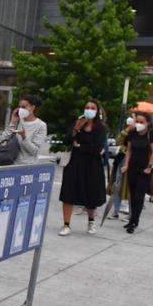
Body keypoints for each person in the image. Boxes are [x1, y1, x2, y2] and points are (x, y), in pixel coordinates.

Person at [58, 99, 107, 235]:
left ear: (97, 111)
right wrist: (76, 128)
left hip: (92, 165)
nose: (89, 110)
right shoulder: (77, 123)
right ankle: (66, 224)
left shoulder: (100, 128)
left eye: (92, 108)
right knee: (68, 193)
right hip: (74, 163)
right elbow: (66, 140)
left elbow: (97, 148)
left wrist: (80, 146)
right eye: (87, 107)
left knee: (90, 193)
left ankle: (91, 221)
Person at [120, 113, 153, 234]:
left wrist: (149, 167)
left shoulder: (151, 134)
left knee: (139, 196)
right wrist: (126, 165)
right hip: (132, 167)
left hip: (144, 168)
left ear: (148, 123)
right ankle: (133, 218)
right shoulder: (132, 133)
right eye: (137, 121)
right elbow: (129, 150)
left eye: (142, 122)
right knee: (132, 194)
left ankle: (133, 221)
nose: (139, 124)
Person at [5, 94, 47, 164]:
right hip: (10, 163)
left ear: (33, 107)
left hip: (27, 167)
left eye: (24, 107)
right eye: (19, 107)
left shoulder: (41, 125)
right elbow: (4, 139)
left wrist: (24, 137)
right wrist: (12, 122)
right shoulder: (18, 120)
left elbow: (35, 151)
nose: (21, 109)